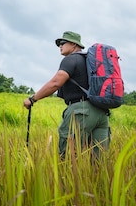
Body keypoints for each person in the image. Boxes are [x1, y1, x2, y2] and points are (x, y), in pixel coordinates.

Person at [23, 31, 110, 159]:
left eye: (63, 43)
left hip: (81, 112)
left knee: (69, 157)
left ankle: (67, 178)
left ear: (74, 45)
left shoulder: (71, 59)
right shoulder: (92, 62)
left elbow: (55, 83)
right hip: (102, 113)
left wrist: (33, 99)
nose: (60, 46)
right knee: (99, 162)